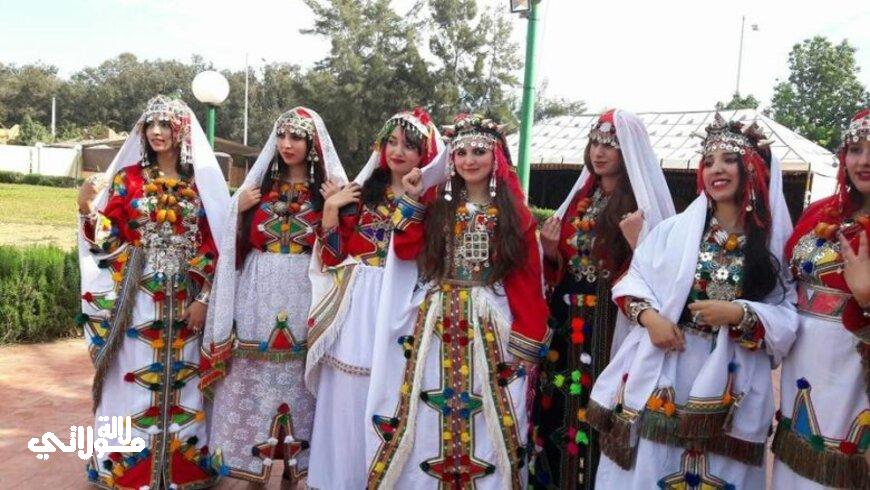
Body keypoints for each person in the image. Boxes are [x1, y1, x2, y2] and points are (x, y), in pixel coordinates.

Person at [589, 114, 797, 488]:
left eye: (729, 160)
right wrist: (651, 318)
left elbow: (787, 315)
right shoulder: (674, 232)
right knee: (653, 467)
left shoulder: (770, 245)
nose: (716, 169)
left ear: (751, 168)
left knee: (718, 472)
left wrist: (741, 313)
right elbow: (634, 282)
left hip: (732, 381)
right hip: (668, 369)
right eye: (709, 161)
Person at [365, 114, 550, 488]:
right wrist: (412, 197)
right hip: (437, 321)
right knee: (425, 407)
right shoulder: (438, 205)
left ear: (496, 157)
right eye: (461, 152)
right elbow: (405, 250)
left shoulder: (515, 214)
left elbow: (526, 277)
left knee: (493, 409)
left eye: (479, 151)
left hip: (490, 321)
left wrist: (528, 336)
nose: (469, 160)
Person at [77, 94, 230, 489]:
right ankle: (130, 467)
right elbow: (109, 237)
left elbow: (216, 243)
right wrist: (87, 210)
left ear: (182, 132)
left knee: (188, 376)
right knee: (131, 374)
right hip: (137, 297)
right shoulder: (127, 179)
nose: (157, 132)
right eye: (150, 125)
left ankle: (186, 467)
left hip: (187, 299)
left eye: (165, 125)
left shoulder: (201, 183)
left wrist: (204, 298)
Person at [200, 107, 347, 487]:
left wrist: (334, 208)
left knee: (301, 382)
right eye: (281, 136)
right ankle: (254, 468)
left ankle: (295, 471)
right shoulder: (256, 191)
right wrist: (236, 210)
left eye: (296, 137)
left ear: (312, 145)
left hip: (305, 291)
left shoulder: (327, 193)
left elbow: (339, 253)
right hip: (256, 294)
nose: (286, 144)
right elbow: (232, 250)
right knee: (253, 376)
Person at [530, 109, 675, 489]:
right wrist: (550, 251)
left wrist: (638, 242)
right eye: (595, 142)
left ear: (629, 151)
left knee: (601, 403)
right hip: (566, 322)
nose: (599, 152)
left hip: (611, 323)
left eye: (610, 145)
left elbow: (659, 275)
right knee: (558, 403)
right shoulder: (582, 197)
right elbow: (562, 266)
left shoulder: (640, 205)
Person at [305, 108, 445, 489]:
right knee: (345, 394)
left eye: (409, 146)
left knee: (390, 392)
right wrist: (331, 209)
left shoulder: (434, 205)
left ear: (425, 155)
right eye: (392, 142)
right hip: (356, 303)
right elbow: (333, 256)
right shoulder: (362, 193)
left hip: (402, 305)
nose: (397, 151)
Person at [772, 108, 870, 489]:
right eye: (856, 150)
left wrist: (866, 299)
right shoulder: (820, 213)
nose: (864, 161)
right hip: (803, 360)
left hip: (854, 369)